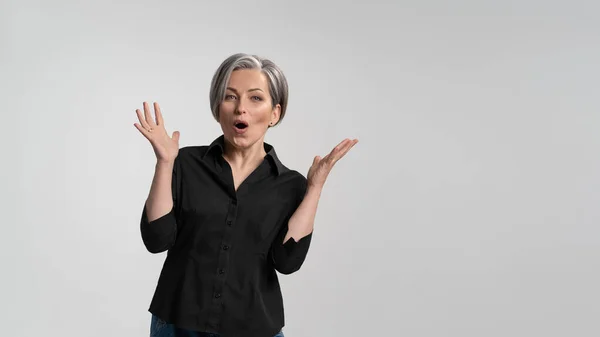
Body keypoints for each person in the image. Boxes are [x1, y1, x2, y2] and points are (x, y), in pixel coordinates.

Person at [133, 53, 358, 337]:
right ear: (218, 108)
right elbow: (156, 239)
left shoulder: (290, 185)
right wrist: (165, 162)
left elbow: (287, 262)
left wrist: (314, 189)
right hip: (178, 324)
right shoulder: (184, 164)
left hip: (253, 328)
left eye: (255, 98)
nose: (241, 109)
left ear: (275, 113)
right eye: (230, 97)